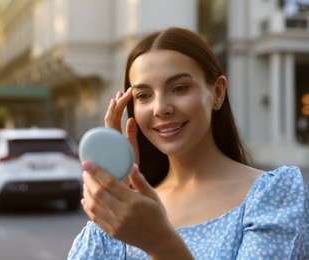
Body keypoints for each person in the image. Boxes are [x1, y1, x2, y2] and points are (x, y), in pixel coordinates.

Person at [68, 27, 309, 259]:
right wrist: (117, 192)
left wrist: (162, 244)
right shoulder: (131, 210)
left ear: (217, 93)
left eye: (179, 88)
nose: (161, 108)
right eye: (144, 95)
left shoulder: (274, 195)